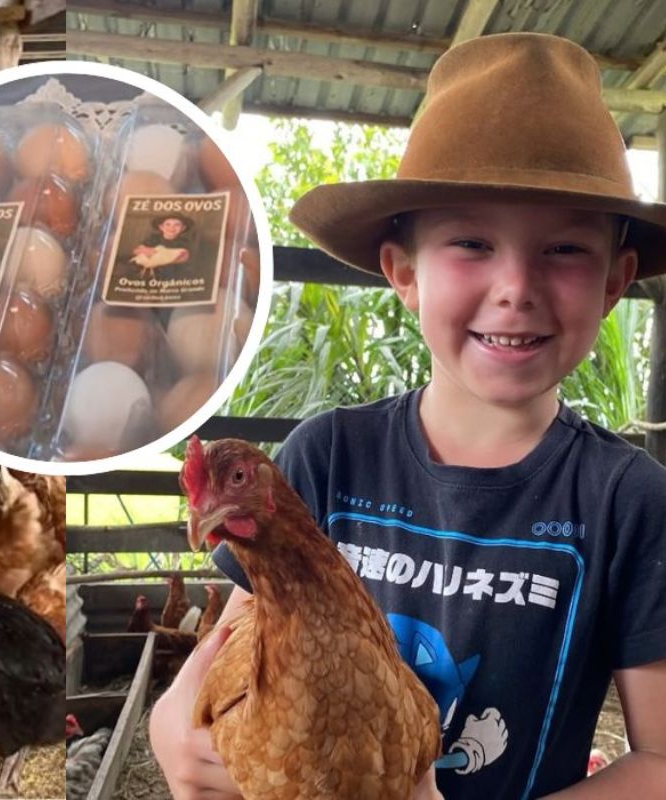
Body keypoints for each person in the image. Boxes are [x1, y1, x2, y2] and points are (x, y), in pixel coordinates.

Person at [149, 32, 666, 800]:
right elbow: (227, 655)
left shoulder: (628, 500)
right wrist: (173, 730)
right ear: (404, 273)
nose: (515, 287)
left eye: (562, 249)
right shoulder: (327, 457)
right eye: (471, 242)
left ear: (615, 282)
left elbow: (658, 762)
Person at [129, 214, 193, 278]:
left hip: (172, 273)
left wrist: (156, 253)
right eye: (168, 224)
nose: (172, 228)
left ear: (183, 228)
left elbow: (183, 257)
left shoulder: (184, 242)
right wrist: (146, 251)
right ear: (161, 227)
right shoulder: (153, 238)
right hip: (151, 273)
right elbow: (137, 251)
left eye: (177, 225)